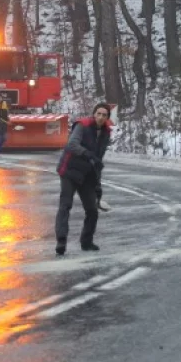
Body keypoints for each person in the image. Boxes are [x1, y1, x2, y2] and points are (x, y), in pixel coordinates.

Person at [54, 103, 111, 256]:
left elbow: (97, 161)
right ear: (94, 114)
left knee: (92, 210)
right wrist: (87, 154)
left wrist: (97, 186)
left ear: (107, 118)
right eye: (98, 113)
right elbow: (71, 145)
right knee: (65, 205)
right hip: (69, 170)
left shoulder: (106, 133)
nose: (100, 117)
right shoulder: (82, 125)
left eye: (104, 115)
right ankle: (61, 241)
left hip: (86, 175)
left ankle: (86, 242)